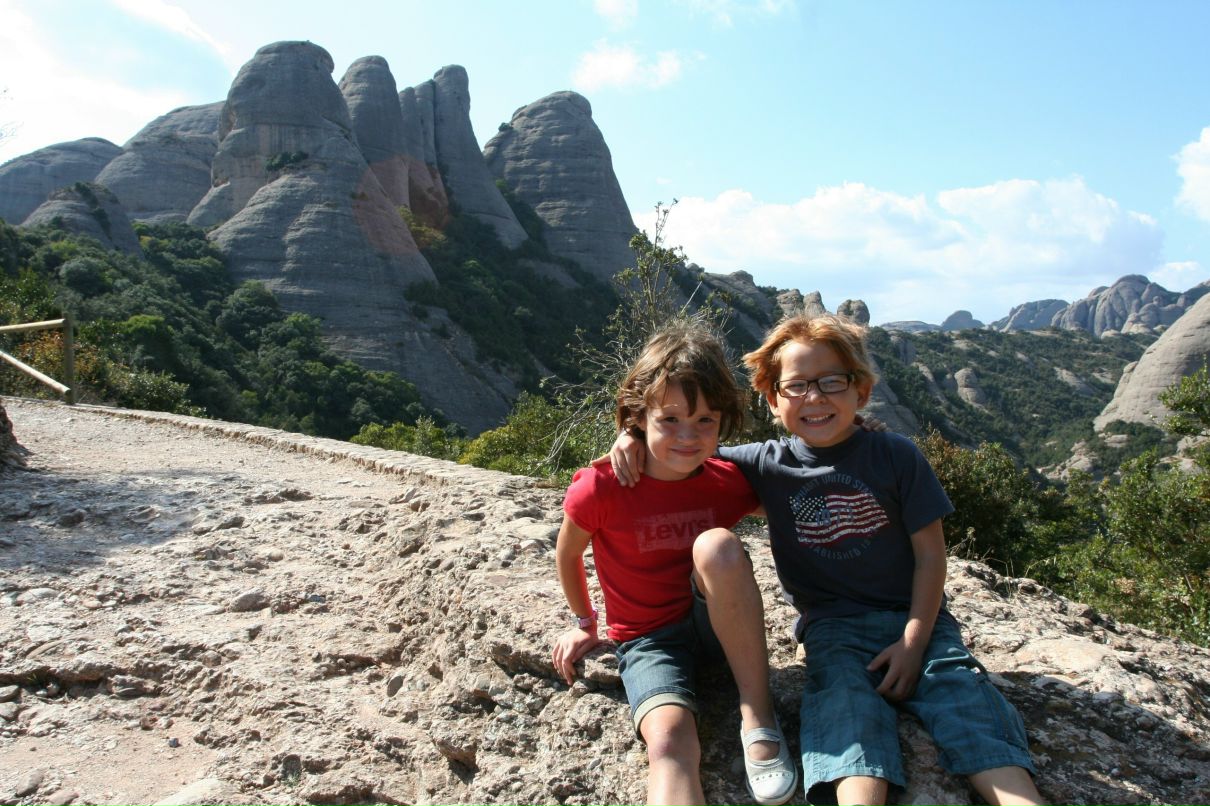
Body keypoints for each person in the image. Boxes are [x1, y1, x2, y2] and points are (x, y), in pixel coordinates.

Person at [610, 313, 1047, 806]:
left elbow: (931, 556)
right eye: (795, 386)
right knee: (848, 724)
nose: (814, 398)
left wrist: (913, 639)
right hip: (832, 633)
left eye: (832, 382)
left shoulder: (898, 456)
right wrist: (632, 435)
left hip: (918, 625)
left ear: (860, 391)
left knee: (968, 707)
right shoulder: (765, 463)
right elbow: (686, 447)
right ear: (772, 399)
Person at [551, 322, 798, 806]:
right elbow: (567, 551)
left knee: (718, 546)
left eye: (706, 421)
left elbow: (800, 495)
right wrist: (585, 621)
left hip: (716, 630)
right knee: (668, 741)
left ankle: (759, 716)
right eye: (670, 420)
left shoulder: (727, 481)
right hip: (648, 640)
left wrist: (858, 437)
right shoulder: (602, 485)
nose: (689, 436)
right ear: (637, 418)